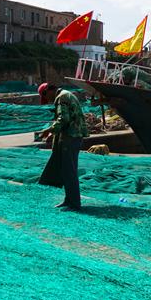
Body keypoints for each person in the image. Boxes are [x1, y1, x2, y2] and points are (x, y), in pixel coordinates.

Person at [36, 83, 89, 211]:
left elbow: (63, 119)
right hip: (72, 136)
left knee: (69, 171)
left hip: (71, 137)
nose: (48, 100)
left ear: (48, 90)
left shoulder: (62, 97)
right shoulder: (66, 94)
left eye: (46, 97)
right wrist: (53, 134)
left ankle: (74, 203)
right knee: (66, 170)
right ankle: (69, 199)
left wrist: (48, 130)